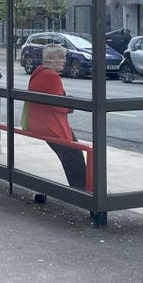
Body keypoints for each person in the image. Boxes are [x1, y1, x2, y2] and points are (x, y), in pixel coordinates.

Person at [27, 44, 86, 190]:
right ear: (52, 59)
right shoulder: (52, 76)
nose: (64, 61)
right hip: (52, 125)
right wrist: (70, 103)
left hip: (40, 123)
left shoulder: (37, 72)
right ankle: (82, 191)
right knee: (74, 157)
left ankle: (81, 188)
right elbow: (57, 105)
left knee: (71, 155)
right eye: (62, 57)